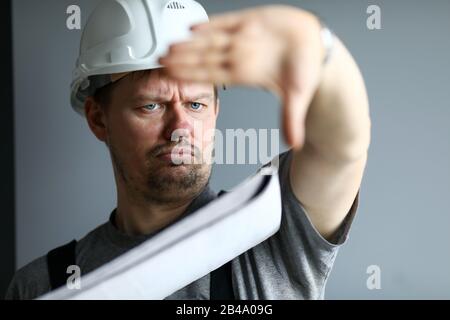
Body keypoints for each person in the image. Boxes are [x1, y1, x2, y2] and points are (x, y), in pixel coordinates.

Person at [6, 0, 370, 300]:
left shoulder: (274, 231)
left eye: (195, 104)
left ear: (215, 110)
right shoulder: (42, 284)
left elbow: (342, 148)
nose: (180, 128)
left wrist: (320, 51)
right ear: (98, 119)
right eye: (151, 106)